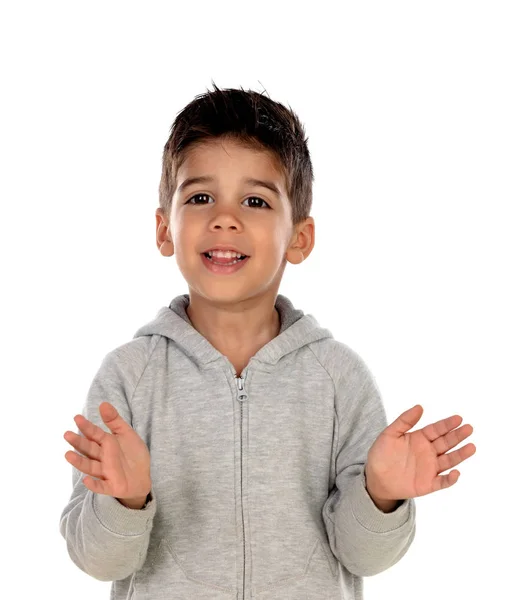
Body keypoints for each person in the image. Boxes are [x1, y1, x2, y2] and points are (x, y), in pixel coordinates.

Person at [59, 83, 476, 599]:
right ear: (165, 230)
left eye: (255, 200)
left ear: (298, 238)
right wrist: (123, 502)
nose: (225, 217)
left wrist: (380, 494)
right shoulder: (129, 376)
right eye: (200, 196)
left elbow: (365, 556)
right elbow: (95, 560)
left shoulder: (339, 378)